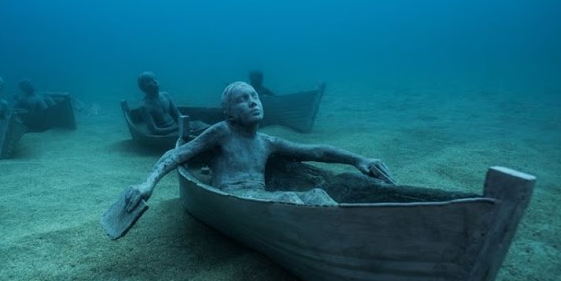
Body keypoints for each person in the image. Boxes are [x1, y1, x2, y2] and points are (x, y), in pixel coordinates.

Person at [124, 81, 394, 212]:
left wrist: (359, 159)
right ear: (229, 112)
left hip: (260, 198)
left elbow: (316, 151)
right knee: (296, 198)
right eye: (243, 99)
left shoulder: (267, 142)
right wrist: (148, 184)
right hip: (232, 197)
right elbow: (179, 153)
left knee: (318, 196)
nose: (253, 102)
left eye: (254, 96)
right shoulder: (222, 131)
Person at [137, 71, 208, 136]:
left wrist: (186, 124)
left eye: (154, 79)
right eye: (149, 81)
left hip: (176, 125)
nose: (155, 81)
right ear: (143, 87)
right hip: (165, 132)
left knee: (203, 126)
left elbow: (177, 113)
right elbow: (154, 130)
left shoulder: (166, 95)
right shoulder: (144, 106)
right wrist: (177, 128)